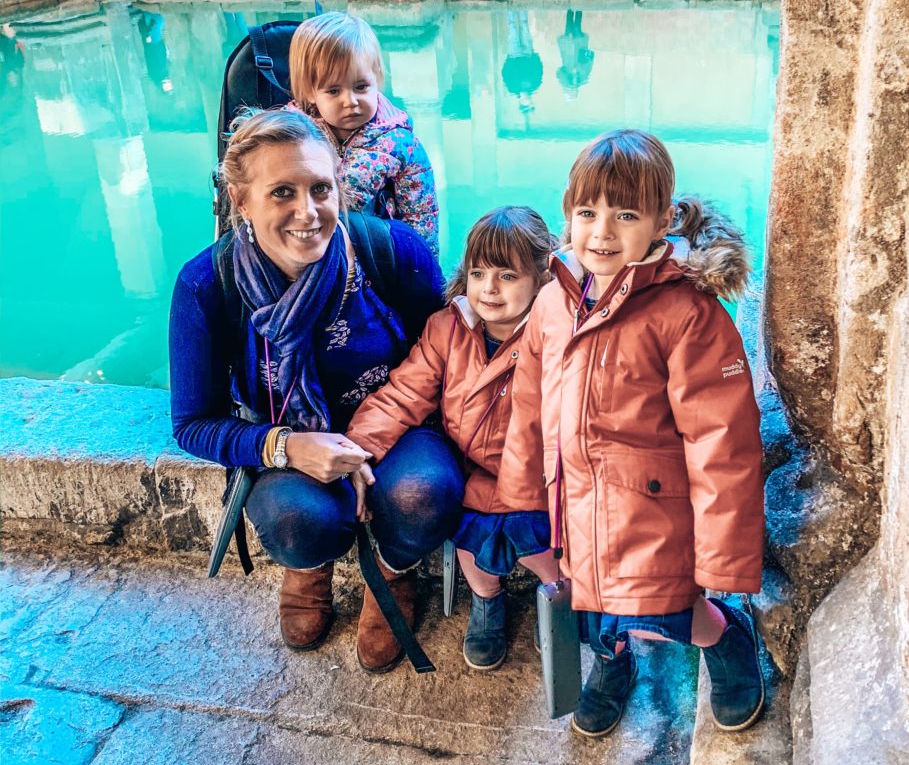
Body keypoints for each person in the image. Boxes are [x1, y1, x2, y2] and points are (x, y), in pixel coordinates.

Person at [169, 108, 464, 672]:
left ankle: (394, 570)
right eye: (282, 192)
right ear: (241, 200)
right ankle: (309, 567)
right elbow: (192, 423)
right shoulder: (206, 285)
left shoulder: (392, 252)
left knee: (423, 492)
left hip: (395, 423)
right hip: (284, 434)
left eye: (320, 189)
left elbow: (446, 356)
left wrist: (370, 437)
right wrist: (287, 447)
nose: (308, 213)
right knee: (295, 520)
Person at [497, 129, 766, 737]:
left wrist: (722, 559)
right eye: (588, 213)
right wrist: (518, 503)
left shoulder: (686, 314)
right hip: (574, 505)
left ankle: (724, 636)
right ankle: (611, 665)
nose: (602, 233)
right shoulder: (551, 301)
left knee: (669, 613)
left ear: (663, 220)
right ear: (567, 212)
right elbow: (529, 408)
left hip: (655, 513)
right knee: (593, 613)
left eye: (626, 215)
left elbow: (722, 444)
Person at [346, 206, 559, 670]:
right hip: (474, 473)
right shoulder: (447, 327)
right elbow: (403, 393)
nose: (489, 288)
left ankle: (558, 605)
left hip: (536, 479)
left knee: (548, 555)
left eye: (507, 275)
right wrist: (356, 451)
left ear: (544, 276)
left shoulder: (559, 335)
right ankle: (487, 604)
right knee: (472, 552)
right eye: (479, 272)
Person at [288, 12, 440, 256]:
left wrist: (422, 267)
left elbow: (420, 215)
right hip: (306, 250)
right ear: (309, 92)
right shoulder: (290, 138)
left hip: (376, 257)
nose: (351, 101)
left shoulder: (400, 143)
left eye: (361, 87)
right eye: (334, 91)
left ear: (377, 78)